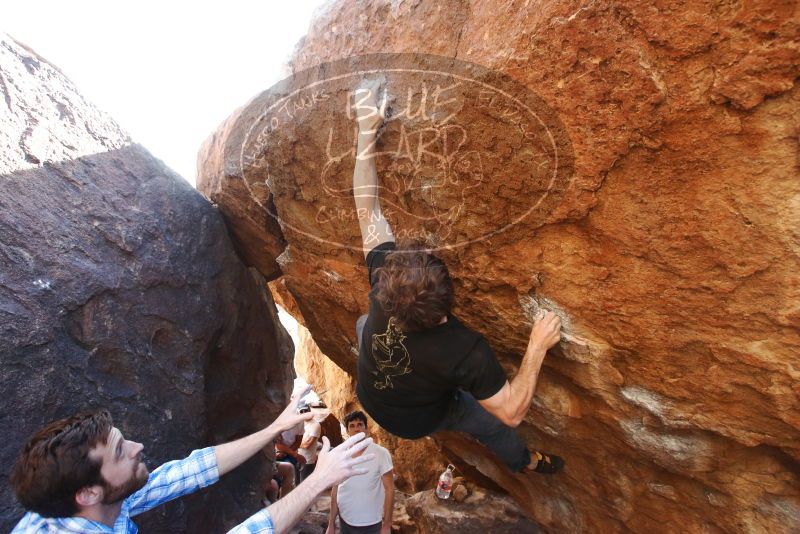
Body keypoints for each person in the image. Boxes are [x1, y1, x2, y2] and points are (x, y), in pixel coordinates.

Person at [350, 80, 565, 474]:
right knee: (490, 426)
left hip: (373, 393)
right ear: (446, 304)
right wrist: (536, 347)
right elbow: (513, 412)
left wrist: (366, 129)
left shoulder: (384, 278)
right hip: (417, 419)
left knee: (366, 325)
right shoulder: (465, 352)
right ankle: (526, 462)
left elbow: (367, 207)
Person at [9, 387, 376, 534]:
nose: (137, 447)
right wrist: (317, 481)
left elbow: (187, 472)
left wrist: (274, 428)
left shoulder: (84, 500)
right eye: (120, 451)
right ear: (87, 493)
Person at [327, 411, 393, 534]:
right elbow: (336, 489)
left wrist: (387, 524)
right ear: (347, 431)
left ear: (366, 429)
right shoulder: (340, 454)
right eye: (352, 426)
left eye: (360, 424)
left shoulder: (380, 453)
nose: (356, 429)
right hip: (345, 518)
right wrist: (331, 524)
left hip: (371, 521)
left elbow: (389, 488)